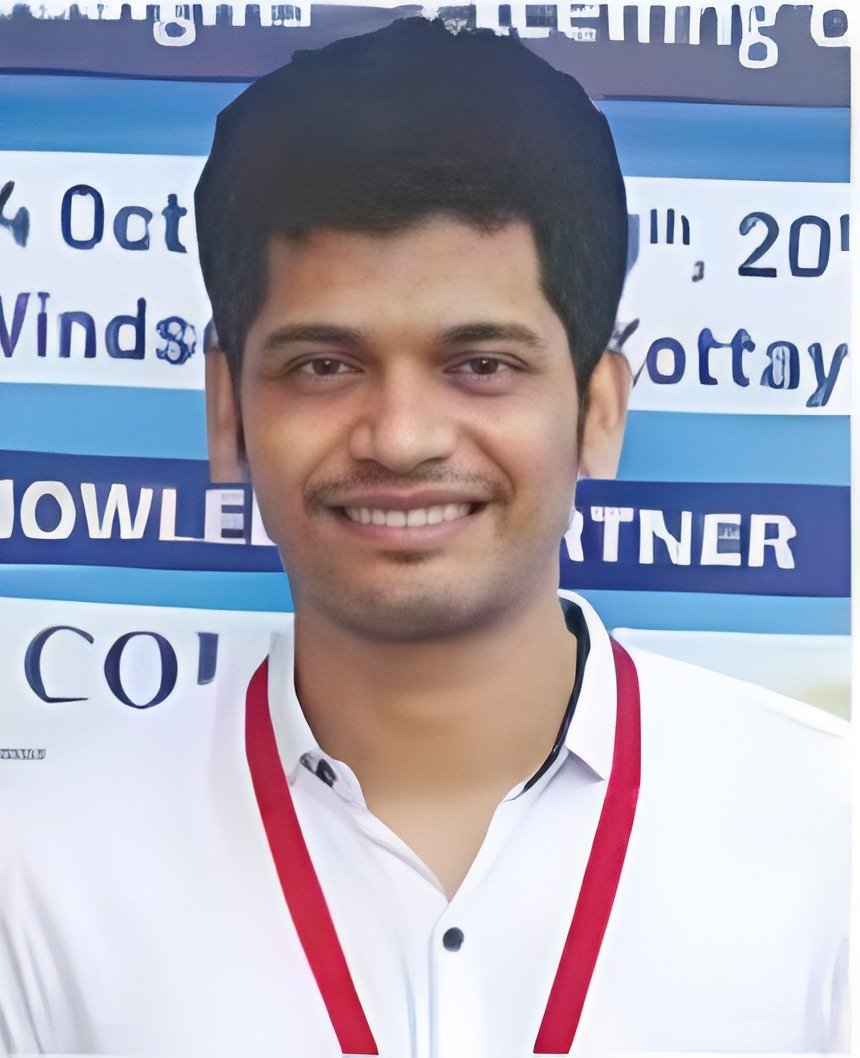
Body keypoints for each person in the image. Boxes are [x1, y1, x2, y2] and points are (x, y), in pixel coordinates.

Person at [1, 17, 848, 1057]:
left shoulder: (828, 836)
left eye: (481, 365)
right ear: (227, 412)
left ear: (598, 411)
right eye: (323, 366)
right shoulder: (43, 868)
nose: (400, 437)